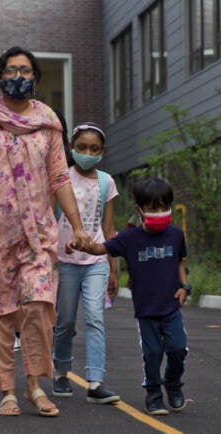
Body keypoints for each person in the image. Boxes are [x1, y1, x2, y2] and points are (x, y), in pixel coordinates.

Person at [0, 46, 90, 417]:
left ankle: (35, 386)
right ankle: (7, 389)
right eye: (10, 69)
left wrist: (77, 226)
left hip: (37, 235)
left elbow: (59, 177)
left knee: (39, 307)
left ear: (36, 78)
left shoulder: (49, 122)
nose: (18, 76)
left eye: (25, 70)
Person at [67, 177, 190, 416]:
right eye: (153, 208)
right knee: (152, 353)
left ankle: (173, 384)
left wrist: (185, 287)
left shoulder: (176, 235)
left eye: (165, 207)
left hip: (171, 306)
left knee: (178, 349)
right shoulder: (130, 238)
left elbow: (179, 263)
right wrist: (81, 244)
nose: (160, 212)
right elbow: (101, 248)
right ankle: (153, 393)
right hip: (146, 310)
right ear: (140, 210)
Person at [52, 122, 120, 404]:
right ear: (71, 148)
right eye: (81, 148)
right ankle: (60, 372)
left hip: (96, 262)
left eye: (93, 149)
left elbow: (109, 228)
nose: (87, 153)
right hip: (64, 261)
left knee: (95, 317)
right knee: (65, 321)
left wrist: (114, 268)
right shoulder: (60, 178)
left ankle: (95, 381)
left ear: (102, 152)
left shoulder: (106, 182)